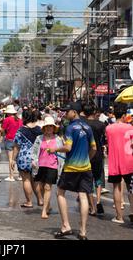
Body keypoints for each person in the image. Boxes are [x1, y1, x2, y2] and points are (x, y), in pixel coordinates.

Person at [48, 101, 97, 240]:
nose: (65, 113)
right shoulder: (87, 127)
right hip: (86, 167)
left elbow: (68, 148)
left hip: (71, 168)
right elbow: (94, 148)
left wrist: (54, 149)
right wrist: (87, 158)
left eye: (67, 111)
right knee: (83, 196)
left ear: (74, 112)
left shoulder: (70, 128)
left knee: (60, 192)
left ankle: (66, 226)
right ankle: (82, 231)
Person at [105, 103, 133, 224]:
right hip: (129, 160)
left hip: (114, 161)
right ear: (123, 115)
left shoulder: (109, 128)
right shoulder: (130, 128)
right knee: (131, 188)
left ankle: (119, 217)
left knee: (117, 188)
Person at [32, 116, 63, 219]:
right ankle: (47, 204)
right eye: (47, 126)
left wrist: (61, 167)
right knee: (40, 187)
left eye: (51, 126)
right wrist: (34, 161)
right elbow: (35, 151)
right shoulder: (39, 138)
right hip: (40, 165)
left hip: (52, 166)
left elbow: (62, 153)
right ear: (44, 128)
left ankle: (44, 210)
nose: (49, 128)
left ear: (54, 128)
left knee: (47, 187)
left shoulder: (58, 139)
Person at [11, 109, 42, 208]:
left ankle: (29, 202)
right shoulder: (39, 129)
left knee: (26, 180)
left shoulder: (21, 131)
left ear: (24, 118)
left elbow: (16, 147)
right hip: (37, 158)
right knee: (35, 180)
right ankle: (40, 200)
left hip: (24, 158)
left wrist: (12, 159)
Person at [81, 103, 106, 215]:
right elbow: (103, 139)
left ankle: (92, 207)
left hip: (86, 154)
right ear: (94, 112)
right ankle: (98, 201)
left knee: (88, 181)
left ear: (84, 112)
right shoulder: (101, 124)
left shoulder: (82, 124)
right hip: (98, 154)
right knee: (98, 179)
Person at [1, 104, 22, 181]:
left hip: (9, 139)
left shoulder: (7, 119)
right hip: (18, 140)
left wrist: (0, 127)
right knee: (18, 158)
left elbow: (3, 130)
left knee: (10, 159)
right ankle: (20, 176)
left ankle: (11, 176)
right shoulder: (19, 120)